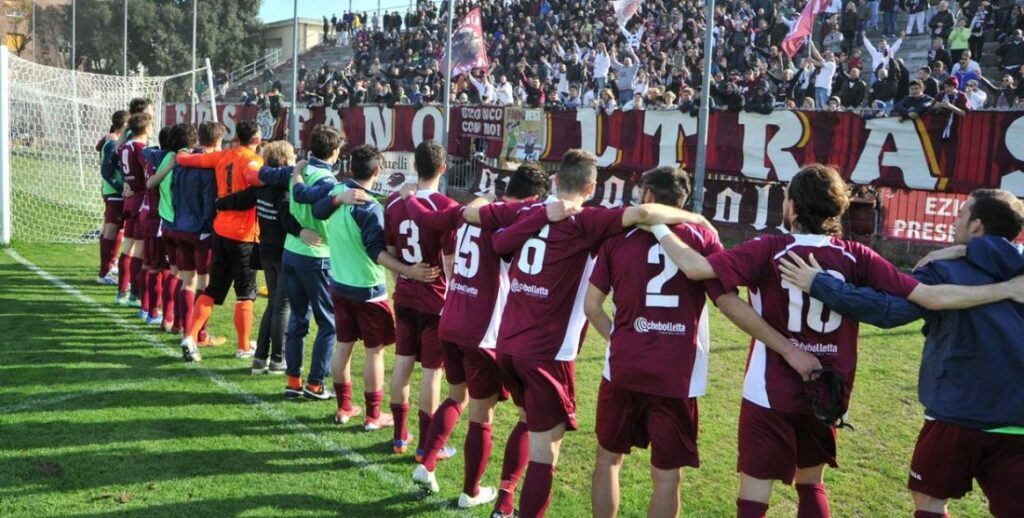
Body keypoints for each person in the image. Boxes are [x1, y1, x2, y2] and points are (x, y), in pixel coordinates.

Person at [645, 164, 1021, 518]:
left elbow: (696, 269)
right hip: (828, 388)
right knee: (811, 484)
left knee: (754, 492)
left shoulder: (768, 248)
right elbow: (931, 297)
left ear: (792, 205)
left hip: (768, 388)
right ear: (837, 207)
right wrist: (1003, 287)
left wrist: (658, 223)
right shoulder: (857, 255)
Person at [460, 149, 716, 517]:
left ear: (554, 180)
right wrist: (694, 217)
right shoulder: (587, 220)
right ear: (593, 187)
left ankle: (503, 500)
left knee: (529, 423)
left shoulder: (526, 210)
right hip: (548, 352)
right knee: (546, 450)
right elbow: (643, 214)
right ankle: (513, 508)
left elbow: (475, 218)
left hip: (508, 343)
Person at [582, 167, 816, 518]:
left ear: (647, 196)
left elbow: (592, 306)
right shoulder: (702, 238)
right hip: (676, 374)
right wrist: (785, 346)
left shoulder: (619, 237)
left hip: (624, 367)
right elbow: (726, 302)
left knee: (608, 460)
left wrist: (620, 339)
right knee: (666, 477)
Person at [777, 189, 1024, 518]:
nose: (954, 219)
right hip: (1018, 422)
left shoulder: (944, 271)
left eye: (962, 214)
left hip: (957, 415)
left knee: (930, 501)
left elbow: (888, 311)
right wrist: (963, 250)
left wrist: (821, 284)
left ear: (977, 226)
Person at [400, 165, 558, 510]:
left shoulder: (475, 212)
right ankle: (471, 491)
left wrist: (409, 199)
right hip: (482, 330)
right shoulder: (510, 219)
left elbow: (439, 234)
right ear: (534, 198)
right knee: (485, 414)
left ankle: (427, 462)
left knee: (457, 395)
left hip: (452, 315)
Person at [383, 140, 460, 457]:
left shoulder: (393, 203)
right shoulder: (448, 207)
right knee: (432, 372)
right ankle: (426, 444)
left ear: (414, 166)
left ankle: (399, 437)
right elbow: (451, 263)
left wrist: (405, 274)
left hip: (404, 295)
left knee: (402, 364)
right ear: (443, 168)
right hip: (435, 299)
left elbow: (388, 253)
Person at [174, 120, 264, 362]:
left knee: (213, 289)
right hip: (243, 235)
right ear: (256, 140)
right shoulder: (253, 160)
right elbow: (255, 177)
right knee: (245, 293)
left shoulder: (222, 155)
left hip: (220, 231)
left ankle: (190, 336)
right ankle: (244, 346)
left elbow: (188, 160)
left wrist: (181, 153)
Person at [213, 141, 305, 375]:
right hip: (282, 253)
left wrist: (220, 203)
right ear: (286, 160)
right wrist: (304, 231)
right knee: (282, 306)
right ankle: (277, 359)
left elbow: (241, 199)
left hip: (265, 251)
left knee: (274, 304)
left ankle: (260, 358)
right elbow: (286, 220)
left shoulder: (262, 187)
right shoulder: (283, 190)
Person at [167, 121, 225, 346]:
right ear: (218, 141)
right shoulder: (208, 166)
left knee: (186, 279)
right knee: (203, 281)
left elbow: (174, 194)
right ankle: (199, 334)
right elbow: (209, 202)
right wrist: (210, 227)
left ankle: (183, 327)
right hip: (200, 230)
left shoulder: (183, 161)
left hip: (180, 225)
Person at [115, 112, 153, 307]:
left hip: (129, 200)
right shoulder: (140, 148)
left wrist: (126, 184)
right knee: (139, 249)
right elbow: (148, 173)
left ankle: (122, 291)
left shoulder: (124, 146)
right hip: (139, 200)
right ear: (146, 128)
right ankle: (134, 295)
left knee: (128, 246)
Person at [96, 110, 129, 286]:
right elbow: (106, 170)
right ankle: (104, 272)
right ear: (124, 125)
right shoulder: (112, 143)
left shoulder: (111, 141)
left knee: (117, 230)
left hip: (114, 193)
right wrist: (120, 187)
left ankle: (110, 265)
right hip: (115, 194)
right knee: (110, 230)